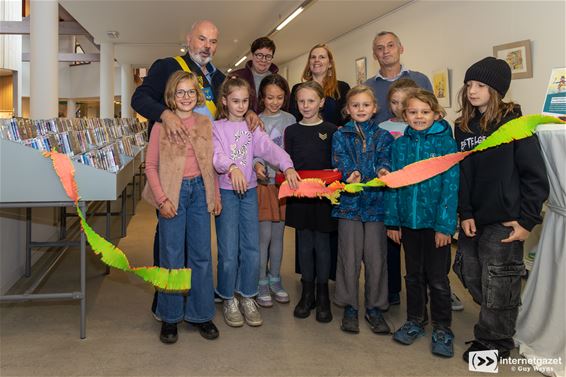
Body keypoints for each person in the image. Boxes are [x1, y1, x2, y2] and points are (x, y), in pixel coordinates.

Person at [131, 20, 262, 317]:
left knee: (201, 249)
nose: (207, 46)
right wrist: (166, 115)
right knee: (170, 246)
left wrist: (250, 112)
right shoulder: (167, 66)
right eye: (202, 39)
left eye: (213, 42)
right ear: (189, 39)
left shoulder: (218, 77)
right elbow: (138, 98)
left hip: (206, 173)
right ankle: (166, 301)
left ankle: (198, 306)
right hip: (172, 175)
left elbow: (233, 105)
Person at [452, 57, 549, 362]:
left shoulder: (516, 126)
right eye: (469, 84)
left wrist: (527, 221)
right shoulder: (464, 128)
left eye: (480, 85)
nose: (472, 91)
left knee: (498, 280)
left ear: (496, 89)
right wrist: (465, 212)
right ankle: (502, 318)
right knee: (467, 271)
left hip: (505, 221)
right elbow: (463, 174)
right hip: (473, 218)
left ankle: (494, 342)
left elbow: (535, 176)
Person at [212, 77, 300, 328]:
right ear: (225, 101)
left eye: (245, 101)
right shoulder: (216, 127)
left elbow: (270, 149)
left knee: (251, 248)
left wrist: (288, 165)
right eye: (235, 101)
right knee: (229, 251)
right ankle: (228, 296)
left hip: (250, 193)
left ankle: (248, 295)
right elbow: (216, 155)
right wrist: (231, 167)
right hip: (228, 194)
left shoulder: (253, 128)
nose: (240, 106)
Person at [142, 71, 221, 344]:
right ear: (171, 97)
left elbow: (212, 163)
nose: (186, 97)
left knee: (201, 255)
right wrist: (162, 199)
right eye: (180, 92)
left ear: (197, 94)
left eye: (190, 92)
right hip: (172, 194)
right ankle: (170, 316)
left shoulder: (205, 123)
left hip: (200, 192)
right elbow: (151, 167)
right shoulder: (160, 127)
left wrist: (216, 196)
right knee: (171, 256)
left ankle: (201, 313)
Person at [385, 88, 459, 358]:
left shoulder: (446, 145)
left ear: (436, 114)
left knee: (438, 279)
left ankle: (443, 327)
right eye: (413, 112)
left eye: (425, 112)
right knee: (413, 276)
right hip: (408, 223)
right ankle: (416, 319)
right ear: (404, 115)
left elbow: (451, 188)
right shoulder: (400, 145)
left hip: (434, 225)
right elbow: (393, 184)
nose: (419, 117)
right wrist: (393, 222)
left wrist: (444, 226)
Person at [331, 85, 394, 334]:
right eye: (355, 105)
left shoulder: (384, 136)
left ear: (374, 108)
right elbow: (339, 159)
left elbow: (385, 159)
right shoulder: (340, 135)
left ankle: (375, 307)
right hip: (349, 205)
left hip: (377, 205)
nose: (360, 109)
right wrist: (350, 174)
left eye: (366, 105)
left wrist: (383, 171)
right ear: (348, 109)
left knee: (376, 257)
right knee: (348, 256)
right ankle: (350, 306)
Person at [285, 81, 337, 323]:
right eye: (301, 101)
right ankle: (307, 293)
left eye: (311, 101)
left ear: (321, 102)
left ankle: (323, 293)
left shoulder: (332, 129)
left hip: (324, 196)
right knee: (304, 243)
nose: (306, 106)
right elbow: (289, 163)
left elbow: (337, 163)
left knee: (323, 243)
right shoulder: (292, 131)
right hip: (300, 196)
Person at [254, 74, 296, 307]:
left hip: (283, 186)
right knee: (264, 237)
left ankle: (275, 279)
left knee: (278, 236)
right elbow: (251, 151)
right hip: (262, 186)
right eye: (270, 97)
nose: (274, 101)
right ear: (262, 97)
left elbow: (292, 150)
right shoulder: (255, 120)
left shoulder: (290, 120)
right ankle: (261, 280)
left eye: (279, 97)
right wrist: (256, 164)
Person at [364, 31, 432, 124]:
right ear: (374, 55)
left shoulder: (421, 80)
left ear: (401, 49)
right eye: (380, 48)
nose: (386, 51)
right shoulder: (366, 88)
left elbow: (432, 114)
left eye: (390, 45)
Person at [289, 44, 350, 127]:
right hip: (306, 137)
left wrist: (343, 130)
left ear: (330, 64)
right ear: (309, 63)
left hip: (334, 138)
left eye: (322, 57)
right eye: (313, 57)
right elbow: (293, 118)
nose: (316, 60)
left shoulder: (342, 88)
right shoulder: (297, 88)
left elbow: (349, 116)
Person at [232, 37, 280, 113]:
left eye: (268, 56)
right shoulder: (237, 77)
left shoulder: (279, 81)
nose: (263, 60)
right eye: (259, 55)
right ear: (252, 55)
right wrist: (247, 113)